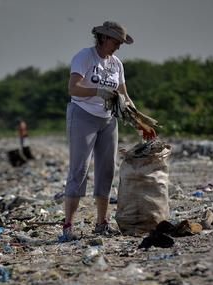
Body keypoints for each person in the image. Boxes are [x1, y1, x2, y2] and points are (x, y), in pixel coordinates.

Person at [61, 21, 135, 241]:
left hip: (108, 119)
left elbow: (124, 96)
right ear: (103, 38)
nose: (118, 47)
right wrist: (98, 91)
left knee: (107, 170)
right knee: (79, 170)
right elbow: (73, 88)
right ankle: (68, 227)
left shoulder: (117, 64)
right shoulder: (84, 57)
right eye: (115, 41)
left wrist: (138, 119)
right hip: (82, 115)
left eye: (121, 43)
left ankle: (101, 223)